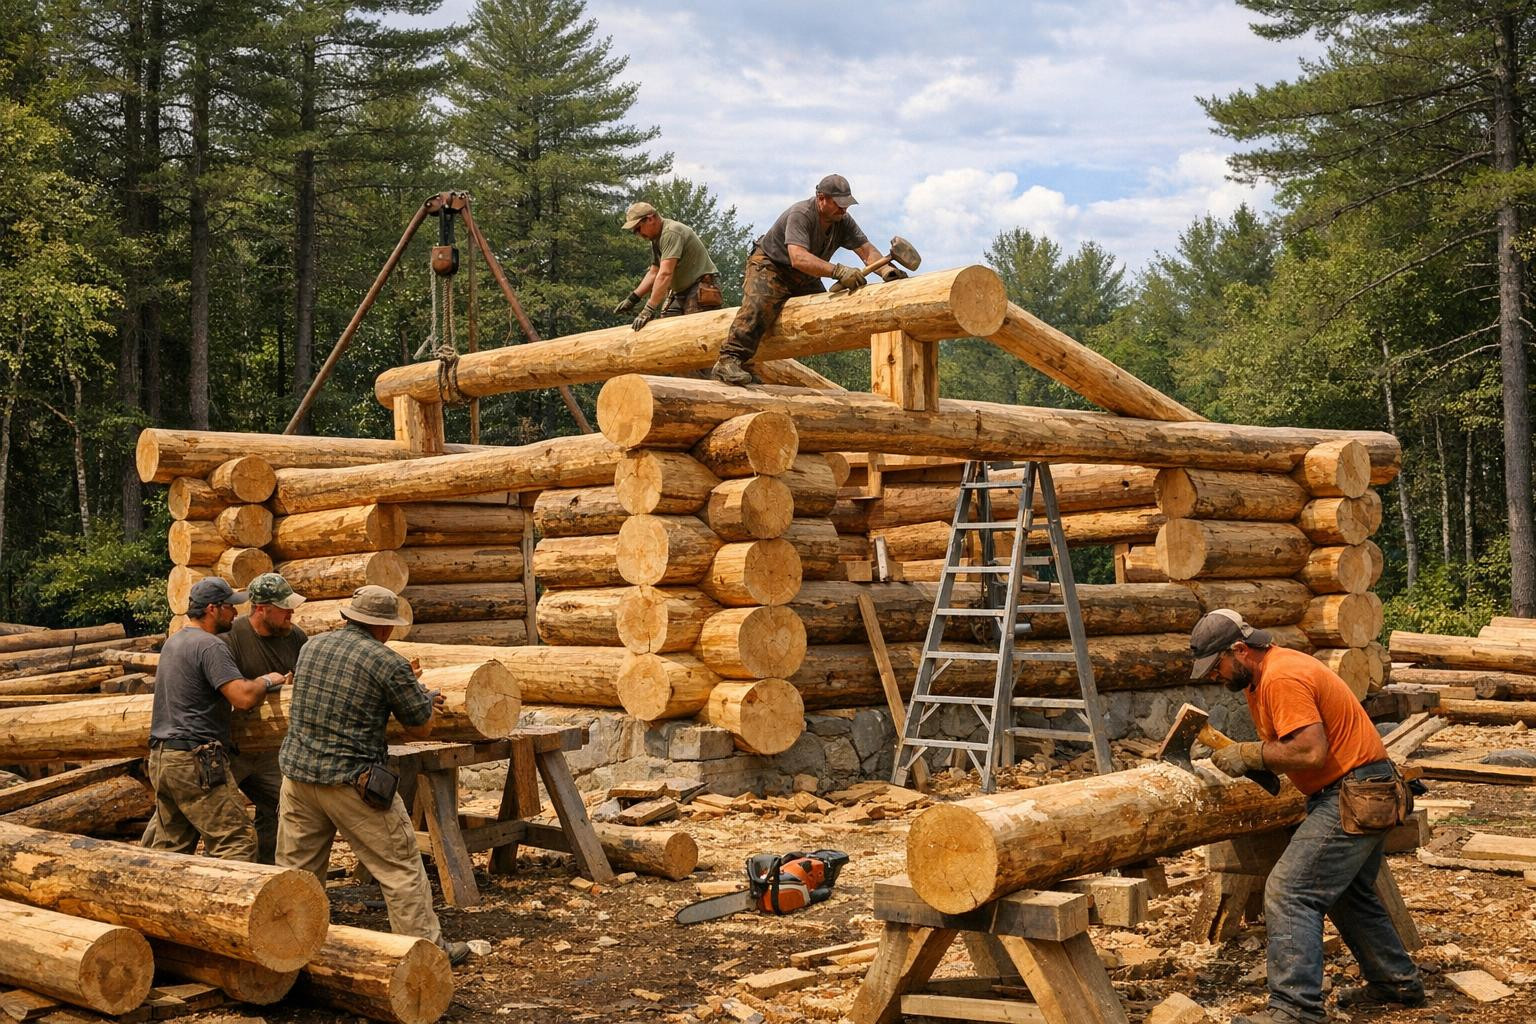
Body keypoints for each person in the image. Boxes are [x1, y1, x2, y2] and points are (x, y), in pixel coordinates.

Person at [1190, 609, 1423, 1024]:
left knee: (1290, 891)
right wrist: (1258, 759)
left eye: (1216, 667)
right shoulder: (1261, 678)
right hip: (1357, 787)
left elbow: (1311, 751)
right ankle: (1395, 982)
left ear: (1239, 650)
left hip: (1354, 790)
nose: (1214, 677)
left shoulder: (1281, 676)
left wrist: (1250, 753)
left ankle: (1296, 1010)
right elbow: (1293, 748)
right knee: (1348, 892)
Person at [275, 586, 468, 966]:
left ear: (349, 617)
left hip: (297, 777)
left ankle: (287, 951)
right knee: (400, 869)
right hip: (352, 782)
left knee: (297, 875)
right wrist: (425, 697)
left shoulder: (311, 647)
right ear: (384, 629)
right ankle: (426, 954)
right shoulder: (388, 663)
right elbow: (420, 727)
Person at [143, 577, 289, 861]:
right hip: (195, 758)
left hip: (162, 758)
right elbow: (242, 697)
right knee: (236, 841)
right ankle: (235, 905)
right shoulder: (211, 646)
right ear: (212, 609)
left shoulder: (174, 643)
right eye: (230, 607)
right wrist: (268, 679)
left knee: (170, 849)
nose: (236, 613)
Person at [710, 174, 902, 386]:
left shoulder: (842, 221)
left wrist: (886, 271)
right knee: (759, 306)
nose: (844, 209)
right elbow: (798, 257)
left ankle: (750, 364)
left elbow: (866, 251)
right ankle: (729, 360)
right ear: (821, 198)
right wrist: (838, 271)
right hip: (771, 266)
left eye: (846, 204)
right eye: (839, 204)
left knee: (823, 314)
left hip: (804, 275)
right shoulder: (801, 214)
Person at [222, 572, 306, 863]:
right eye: (284, 607)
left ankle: (269, 872)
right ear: (261, 609)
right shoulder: (231, 638)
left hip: (272, 748)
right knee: (215, 816)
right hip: (232, 748)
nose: (291, 612)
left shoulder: (294, 637)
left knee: (282, 807)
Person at [613, 202, 723, 331]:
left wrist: (648, 309)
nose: (638, 234)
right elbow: (654, 272)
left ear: (650, 219)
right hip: (680, 291)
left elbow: (665, 274)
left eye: (638, 228)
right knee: (666, 329)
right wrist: (633, 298)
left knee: (696, 331)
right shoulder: (656, 239)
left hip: (699, 286)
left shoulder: (671, 232)